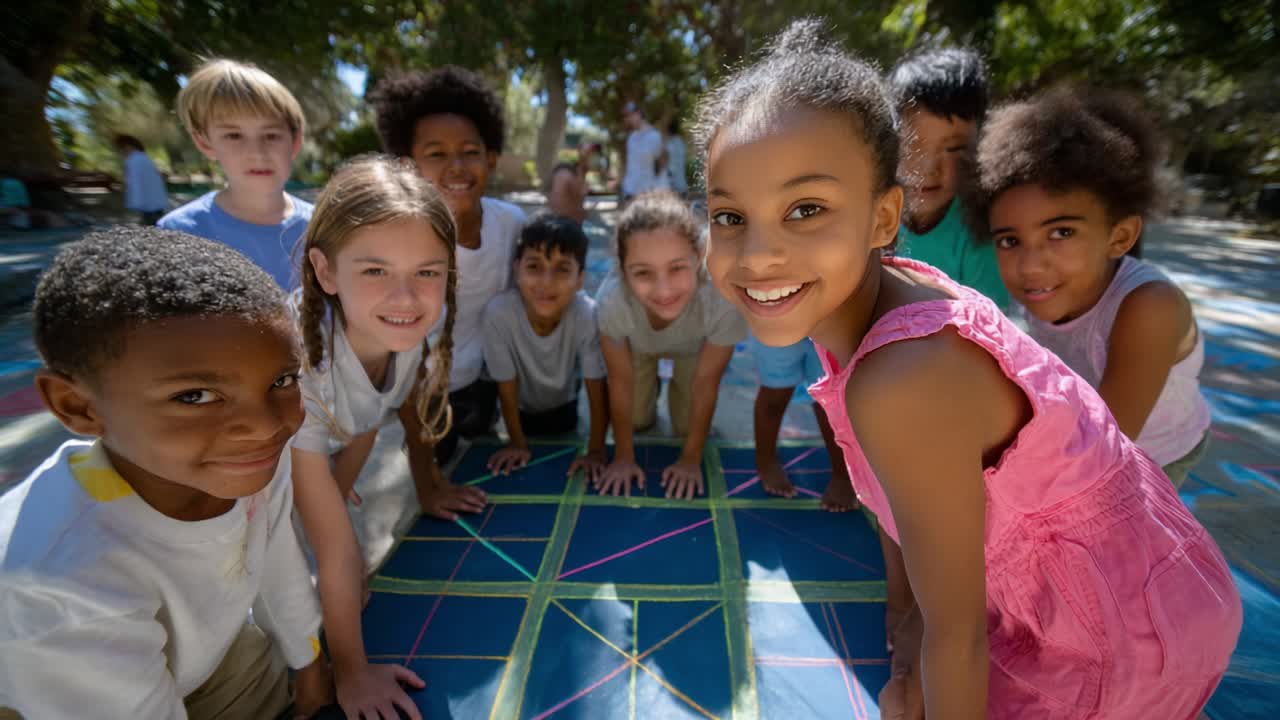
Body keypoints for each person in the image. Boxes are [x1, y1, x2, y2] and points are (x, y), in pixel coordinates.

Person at [697, 19, 1240, 719]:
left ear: (884, 217)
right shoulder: (876, 298)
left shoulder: (904, 380)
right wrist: (908, 639)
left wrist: (922, 657)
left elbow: (957, 638)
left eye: (806, 209)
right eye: (728, 215)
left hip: (1124, 632)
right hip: (1140, 584)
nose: (758, 254)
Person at [0, 227, 332, 718]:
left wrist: (310, 668)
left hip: (207, 657)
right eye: (194, 396)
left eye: (281, 381)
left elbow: (278, 559)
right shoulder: (56, 583)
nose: (264, 426)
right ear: (77, 407)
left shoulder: (248, 458)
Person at [290, 156, 472, 719]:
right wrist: (351, 670)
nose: (406, 297)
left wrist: (336, 496)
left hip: (297, 484)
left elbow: (368, 421)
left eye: (427, 271)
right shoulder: (298, 367)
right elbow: (331, 541)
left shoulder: (403, 331)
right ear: (325, 272)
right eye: (374, 271)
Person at [971, 87, 1212, 488]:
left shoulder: (1150, 307)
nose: (1031, 264)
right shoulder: (1050, 285)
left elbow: (1103, 451)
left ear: (1120, 237)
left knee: (1121, 540)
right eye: (1010, 240)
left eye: (1061, 232)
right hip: (1094, 426)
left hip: (1159, 451)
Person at [370, 66, 527, 464]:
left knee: (484, 464)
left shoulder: (510, 224)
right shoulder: (402, 245)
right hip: (426, 395)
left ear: (490, 158)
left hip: (487, 385)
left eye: (470, 152)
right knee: (439, 474)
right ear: (409, 167)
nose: (456, 166)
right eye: (436, 154)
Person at [595, 191, 746, 499]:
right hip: (638, 347)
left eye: (677, 268)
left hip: (693, 349)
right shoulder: (612, 300)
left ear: (697, 258)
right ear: (622, 272)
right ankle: (649, 387)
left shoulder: (722, 299)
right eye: (643, 273)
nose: (663, 290)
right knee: (636, 421)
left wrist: (691, 459)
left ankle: (673, 393)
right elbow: (620, 382)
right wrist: (624, 457)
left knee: (686, 428)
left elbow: (707, 383)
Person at [159, 58, 313, 290]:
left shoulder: (323, 230)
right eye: (233, 135)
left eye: (271, 135)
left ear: (295, 141)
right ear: (204, 142)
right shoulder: (180, 234)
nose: (257, 153)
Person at [482, 213, 609, 480]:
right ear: (516, 269)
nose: (546, 282)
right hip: (520, 412)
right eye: (534, 266)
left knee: (562, 431)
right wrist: (517, 442)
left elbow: (595, 386)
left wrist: (596, 449)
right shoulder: (499, 313)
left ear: (580, 279)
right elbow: (506, 388)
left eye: (562, 269)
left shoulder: (586, 314)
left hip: (565, 407)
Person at [888, 49, 1008, 308]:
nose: (929, 168)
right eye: (912, 145)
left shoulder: (978, 236)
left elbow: (990, 330)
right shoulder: (869, 215)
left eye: (953, 149)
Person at [749, 336, 858, 511]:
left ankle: (842, 474)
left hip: (829, 326)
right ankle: (766, 460)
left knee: (830, 401)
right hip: (779, 323)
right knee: (775, 393)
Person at [619, 101, 668, 202]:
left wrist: (660, 192)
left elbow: (662, 164)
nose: (627, 119)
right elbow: (630, 167)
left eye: (630, 115)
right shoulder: (631, 138)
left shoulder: (655, 136)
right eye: (625, 116)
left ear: (639, 113)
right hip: (629, 192)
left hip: (648, 194)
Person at [113, 134, 168, 224]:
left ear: (127, 147)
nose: (120, 153)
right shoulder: (144, 158)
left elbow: (134, 183)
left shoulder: (133, 161)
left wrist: (134, 204)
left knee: (151, 229)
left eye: (120, 149)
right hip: (157, 203)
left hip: (148, 206)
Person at [546, 143, 599, 224]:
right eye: (590, 154)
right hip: (565, 226)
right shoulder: (568, 175)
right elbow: (580, 194)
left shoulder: (565, 173)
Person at [665, 118, 689, 197]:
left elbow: (669, 165)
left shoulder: (669, 144)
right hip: (683, 184)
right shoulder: (682, 144)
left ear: (668, 132)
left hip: (673, 185)